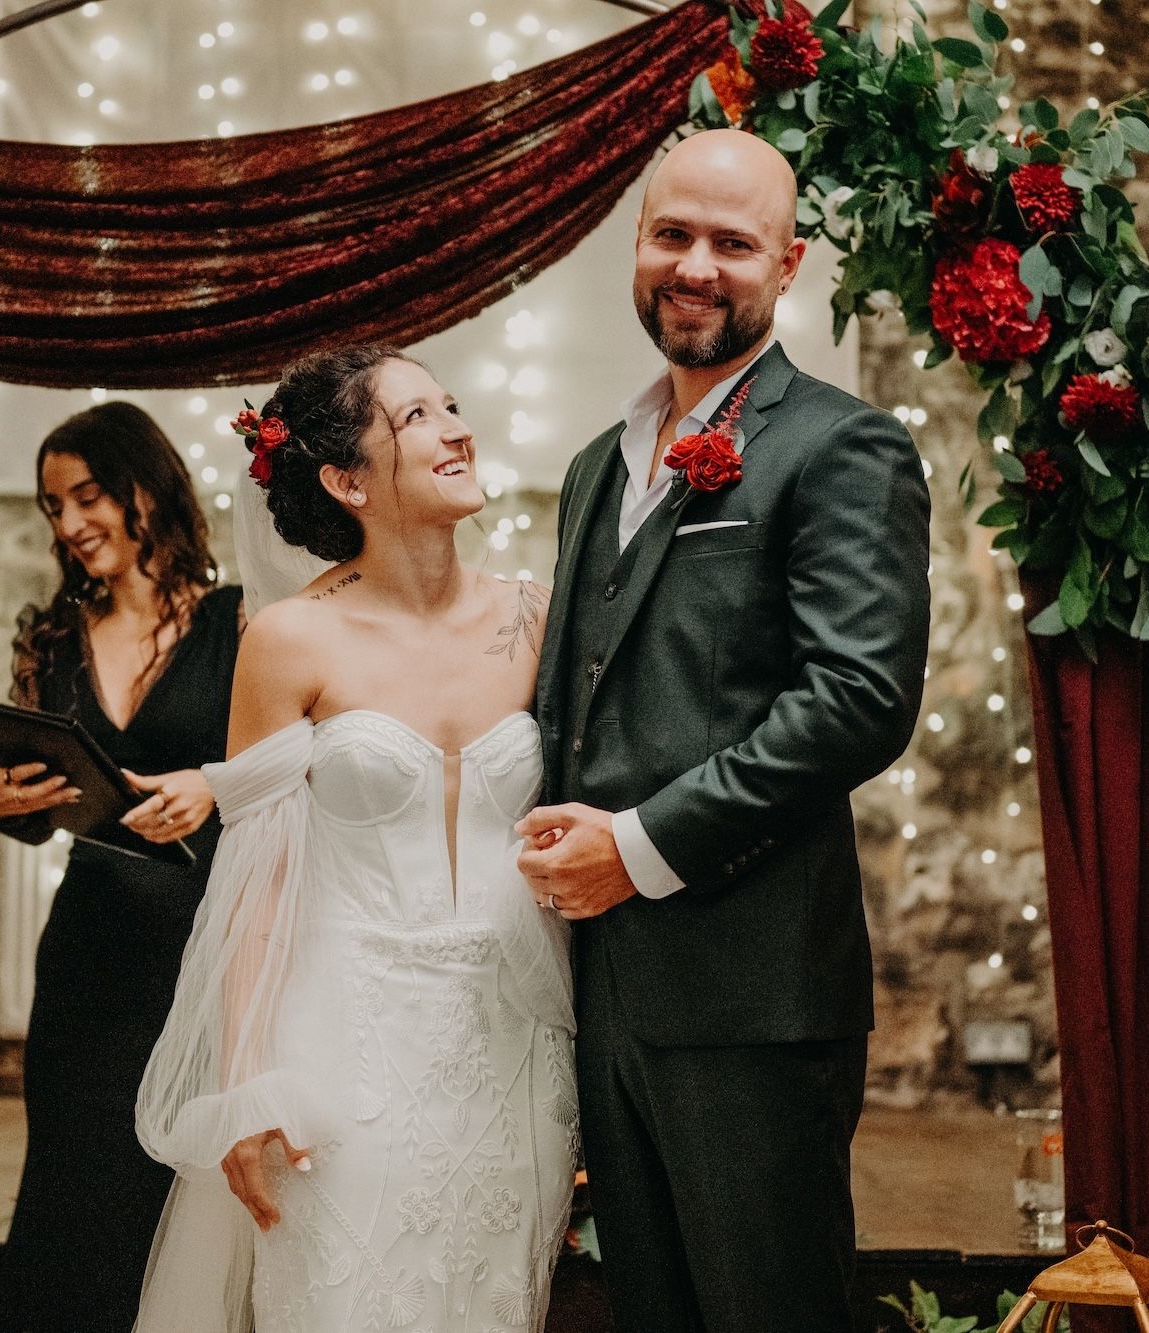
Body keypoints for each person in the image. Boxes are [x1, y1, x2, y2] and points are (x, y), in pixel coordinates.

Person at [517, 128, 933, 1332]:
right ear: (635, 246)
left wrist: (636, 847)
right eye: (671, 235)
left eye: (731, 243)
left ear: (786, 264)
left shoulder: (840, 446)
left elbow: (856, 697)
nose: (695, 266)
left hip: (753, 997)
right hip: (604, 994)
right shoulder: (600, 464)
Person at [132, 345, 575, 1333]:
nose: (455, 426)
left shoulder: (539, 616)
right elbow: (256, 880)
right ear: (345, 479)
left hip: (516, 1049)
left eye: (450, 404)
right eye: (416, 417)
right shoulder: (291, 639)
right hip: (341, 1051)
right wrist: (246, 1081)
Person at [0, 402, 244, 1333]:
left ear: (147, 488)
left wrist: (210, 783)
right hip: (87, 951)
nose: (70, 523)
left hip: (202, 948)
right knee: (71, 1195)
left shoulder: (242, 626)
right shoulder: (49, 637)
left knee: (171, 1200)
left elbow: (283, 785)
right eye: (53, 506)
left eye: (87, 495)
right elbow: (40, 822)